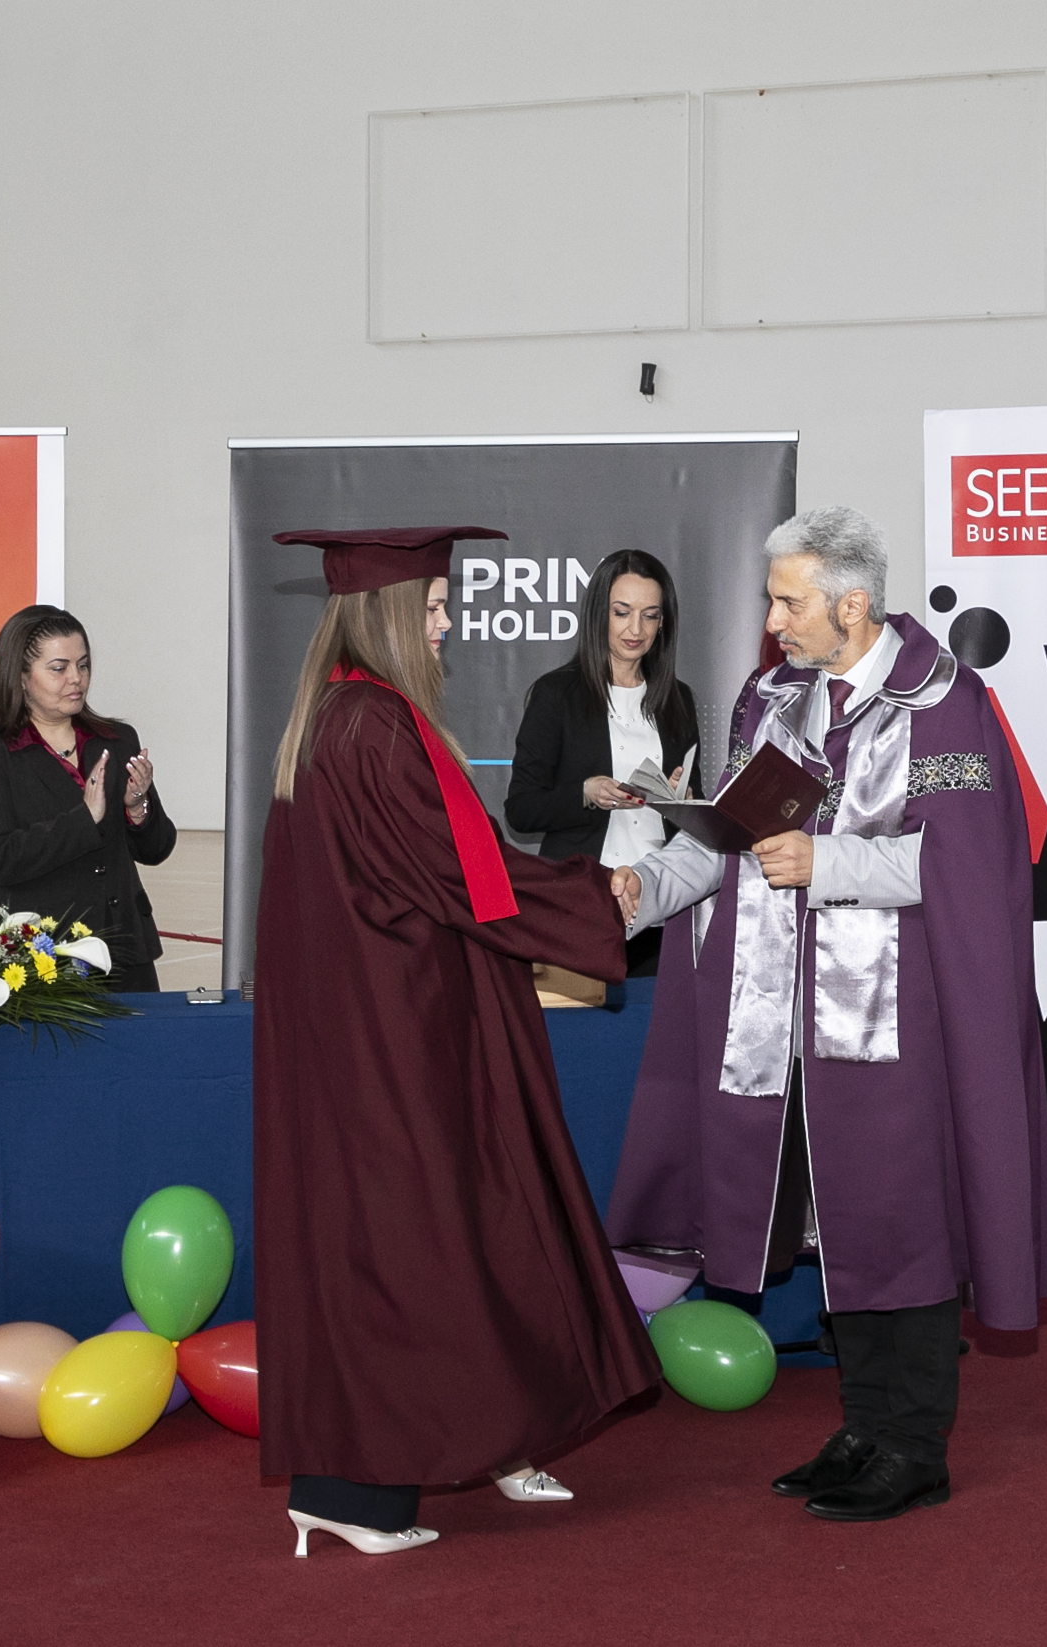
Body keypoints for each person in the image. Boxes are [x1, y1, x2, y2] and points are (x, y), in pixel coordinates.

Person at [606, 505, 1047, 1523]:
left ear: (851, 605)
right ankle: (862, 1424)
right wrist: (645, 888)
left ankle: (913, 1445)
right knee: (838, 1228)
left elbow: (964, 864)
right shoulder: (769, 698)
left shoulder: (943, 702)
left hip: (891, 1018)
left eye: (788, 603)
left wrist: (829, 860)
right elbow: (726, 843)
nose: (771, 623)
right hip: (780, 1020)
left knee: (901, 1223)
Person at [253, 524, 662, 1557]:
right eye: (433, 610)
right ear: (389, 615)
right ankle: (360, 1492)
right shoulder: (373, 725)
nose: (445, 628)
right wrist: (592, 896)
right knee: (419, 1244)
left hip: (365, 1025)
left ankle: (357, 1476)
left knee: (386, 1244)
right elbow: (461, 874)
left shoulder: (335, 715)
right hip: (399, 1033)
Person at [0, 605, 175, 990]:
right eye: (59, 668)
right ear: (21, 676)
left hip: (123, 951)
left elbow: (156, 849)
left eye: (83, 665)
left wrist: (137, 807)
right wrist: (83, 819)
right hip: (37, 960)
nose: (76, 678)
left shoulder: (116, 741)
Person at [504, 549, 699, 974]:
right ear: (598, 614)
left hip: (661, 905)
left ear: (663, 622)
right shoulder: (557, 695)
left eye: (650, 616)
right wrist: (585, 793)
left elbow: (695, 819)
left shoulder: (678, 699)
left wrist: (684, 802)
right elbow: (520, 809)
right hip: (581, 908)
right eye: (622, 612)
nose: (636, 629)